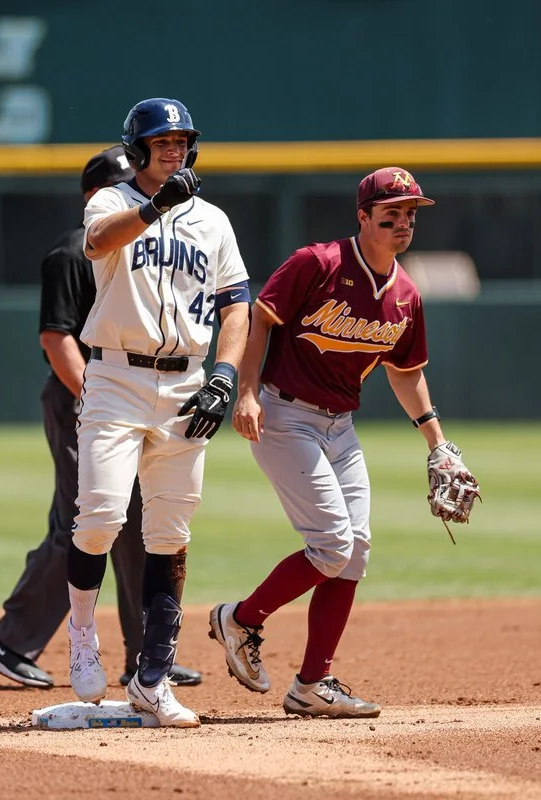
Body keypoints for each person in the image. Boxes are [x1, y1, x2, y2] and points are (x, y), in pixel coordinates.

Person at [208, 167, 480, 719]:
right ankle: (240, 619)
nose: (403, 222)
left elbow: (405, 372)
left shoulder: (406, 294)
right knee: (332, 545)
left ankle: (312, 683)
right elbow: (261, 320)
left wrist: (437, 443)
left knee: (353, 553)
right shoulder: (318, 263)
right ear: (363, 216)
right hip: (285, 416)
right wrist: (247, 392)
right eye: (391, 213)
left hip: (340, 426)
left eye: (410, 213)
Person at [0, 146, 202, 691]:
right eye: (122, 184)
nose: (135, 190)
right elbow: (57, 339)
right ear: (95, 195)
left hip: (130, 398)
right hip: (84, 395)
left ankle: (147, 655)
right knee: (87, 521)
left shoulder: (150, 247)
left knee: (137, 525)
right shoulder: (73, 250)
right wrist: (93, 395)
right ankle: (9, 641)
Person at [65, 97, 251, 728]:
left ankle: (152, 678)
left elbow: (235, 304)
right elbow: (97, 243)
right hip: (116, 376)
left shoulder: (214, 222)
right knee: (100, 518)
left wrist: (225, 373)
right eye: (161, 141)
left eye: (181, 141)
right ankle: (82, 634)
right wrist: (154, 207)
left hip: (186, 384)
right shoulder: (111, 200)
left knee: (170, 535)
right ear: (137, 149)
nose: (173, 150)